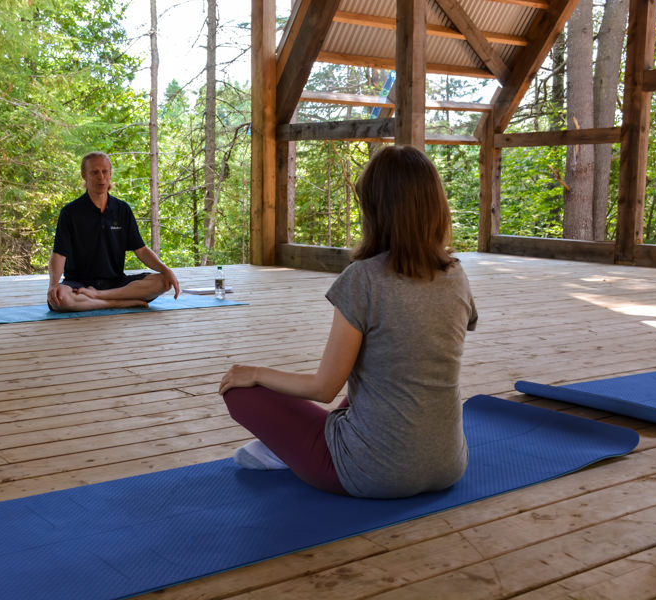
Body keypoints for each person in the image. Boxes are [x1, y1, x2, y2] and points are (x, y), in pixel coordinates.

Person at [219, 145, 478, 499]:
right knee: (374, 381)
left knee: (240, 391)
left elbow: (324, 389)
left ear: (375, 209)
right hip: (449, 464)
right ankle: (292, 444)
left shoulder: (364, 278)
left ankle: (287, 449)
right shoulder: (457, 275)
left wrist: (256, 373)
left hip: (372, 471)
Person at [47, 151, 179, 311]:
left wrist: (166, 270)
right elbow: (59, 254)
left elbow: (142, 250)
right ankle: (117, 303)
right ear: (84, 175)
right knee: (58, 300)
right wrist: (53, 285)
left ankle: (99, 297)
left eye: (104, 171)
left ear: (110, 174)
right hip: (79, 284)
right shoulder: (70, 212)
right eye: (94, 172)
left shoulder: (122, 209)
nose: (100, 177)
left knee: (163, 282)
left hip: (116, 282)